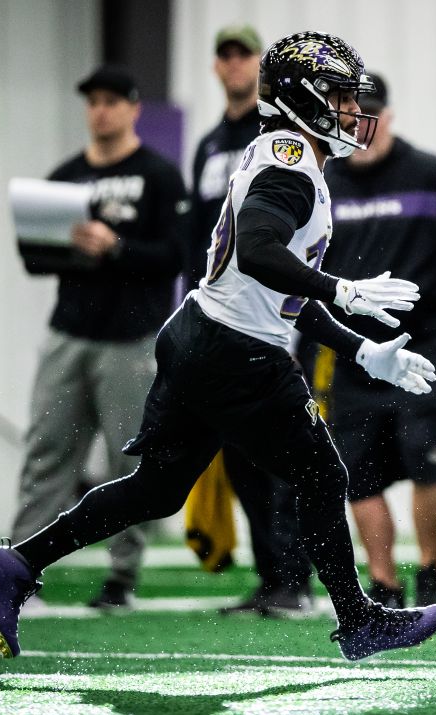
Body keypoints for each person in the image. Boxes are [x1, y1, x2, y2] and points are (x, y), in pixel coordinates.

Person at [0, 31, 436, 662]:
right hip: (237, 351)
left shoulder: (281, 153)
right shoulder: (292, 163)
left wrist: (361, 349)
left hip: (199, 334)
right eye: (336, 94)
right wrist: (346, 290)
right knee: (321, 473)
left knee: (159, 489)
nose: (352, 109)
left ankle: (17, 562)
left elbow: (279, 290)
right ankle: (358, 619)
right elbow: (259, 251)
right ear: (303, 99)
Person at [314, 73, 436, 608]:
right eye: (351, 115)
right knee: (355, 468)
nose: (362, 126)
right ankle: (383, 582)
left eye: (371, 114)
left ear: (389, 116)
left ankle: (431, 570)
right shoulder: (325, 179)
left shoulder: (432, 173)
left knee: (427, 455)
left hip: (424, 342)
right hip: (349, 346)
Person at [10, 65, 188, 609]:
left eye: (113, 100)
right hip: (70, 335)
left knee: (128, 461)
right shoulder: (64, 175)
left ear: (134, 108)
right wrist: (73, 248)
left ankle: (121, 578)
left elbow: (175, 258)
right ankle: (17, 567)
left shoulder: (159, 176)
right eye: (93, 101)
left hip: (133, 340)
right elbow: (33, 256)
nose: (101, 110)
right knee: (46, 452)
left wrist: (115, 247)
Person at [186, 24, 315, 616]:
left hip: (273, 319)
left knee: (289, 450)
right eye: (226, 54)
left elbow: (286, 237)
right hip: (221, 319)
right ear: (216, 66)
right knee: (239, 454)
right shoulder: (212, 144)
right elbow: (200, 238)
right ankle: (271, 576)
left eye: (245, 55)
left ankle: (296, 581)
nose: (235, 65)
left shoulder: (281, 138)